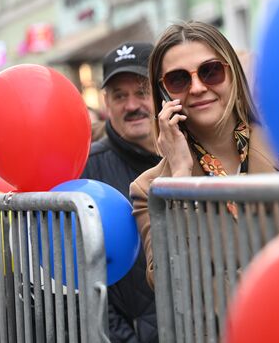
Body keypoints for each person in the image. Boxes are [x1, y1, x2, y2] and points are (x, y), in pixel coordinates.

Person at [130, 21, 279, 289]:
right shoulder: (149, 190)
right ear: (163, 93)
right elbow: (169, 283)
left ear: (232, 74)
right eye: (178, 79)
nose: (198, 87)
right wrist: (179, 176)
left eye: (210, 71)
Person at [81, 42, 161, 343]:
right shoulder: (87, 169)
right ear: (106, 102)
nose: (131, 105)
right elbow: (76, 281)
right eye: (119, 96)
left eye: (141, 92)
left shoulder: (191, 155)